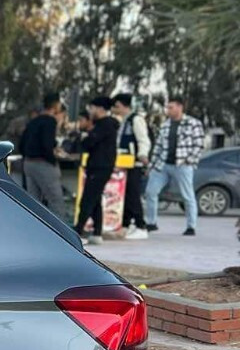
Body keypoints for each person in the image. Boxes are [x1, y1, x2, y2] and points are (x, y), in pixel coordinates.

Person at [144, 97, 205, 236]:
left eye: (171, 107)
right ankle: (151, 223)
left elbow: (199, 145)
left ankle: (191, 226)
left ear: (179, 107)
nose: (168, 110)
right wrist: (152, 165)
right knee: (150, 192)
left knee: (187, 195)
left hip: (182, 165)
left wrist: (189, 161)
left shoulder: (193, 123)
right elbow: (158, 147)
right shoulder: (166, 125)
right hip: (163, 164)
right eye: (167, 107)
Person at [64, 95, 119, 244]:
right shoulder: (102, 124)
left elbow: (90, 141)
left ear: (100, 108)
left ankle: (77, 232)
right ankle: (97, 233)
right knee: (94, 200)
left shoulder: (105, 124)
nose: (91, 111)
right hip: (97, 166)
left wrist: (81, 141)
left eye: (93, 108)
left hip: (101, 167)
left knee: (87, 200)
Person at [18, 92, 68, 219]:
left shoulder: (33, 121)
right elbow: (47, 144)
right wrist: (53, 161)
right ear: (56, 105)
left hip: (28, 163)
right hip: (43, 163)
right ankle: (59, 233)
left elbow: (22, 143)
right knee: (55, 200)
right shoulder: (50, 121)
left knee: (33, 201)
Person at [112, 93, 151, 239]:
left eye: (117, 106)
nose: (115, 109)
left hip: (134, 162)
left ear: (124, 106)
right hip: (124, 162)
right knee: (126, 194)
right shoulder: (124, 121)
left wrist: (143, 154)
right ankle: (127, 224)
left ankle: (141, 225)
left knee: (133, 194)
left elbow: (143, 139)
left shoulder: (136, 119)